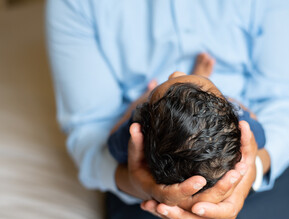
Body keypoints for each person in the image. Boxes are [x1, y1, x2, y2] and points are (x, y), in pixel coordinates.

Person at [46, 0, 289, 219]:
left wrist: (253, 169)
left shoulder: (134, 127)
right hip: (146, 195)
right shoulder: (240, 122)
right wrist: (140, 184)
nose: (176, 73)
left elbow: (286, 99)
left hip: (258, 173)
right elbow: (92, 132)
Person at [107, 59, 266, 191]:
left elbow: (112, 144)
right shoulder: (242, 124)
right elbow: (259, 132)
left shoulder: (134, 132)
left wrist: (145, 97)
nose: (175, 73)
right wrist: (230, 102)